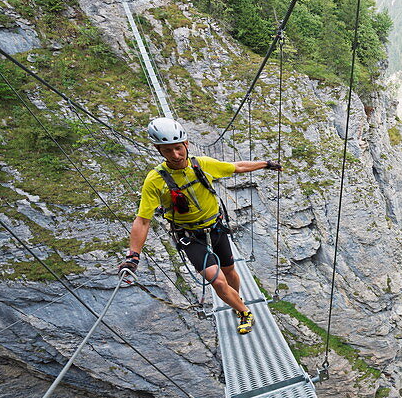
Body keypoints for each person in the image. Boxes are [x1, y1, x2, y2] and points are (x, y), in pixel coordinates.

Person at [118, 117, 281, 335]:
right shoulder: (154, 180)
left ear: (186, 144)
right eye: (167, 151)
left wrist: (266, 164)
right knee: (217, 281)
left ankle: (236, 299)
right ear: (158, 150)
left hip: (215, 228)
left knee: (230, 271)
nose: (175, 155)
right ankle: (243, 311)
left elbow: (237, 167)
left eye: (178, 148)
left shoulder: (202, 164)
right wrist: (133, 256)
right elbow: (143, 219)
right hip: (189, 237)